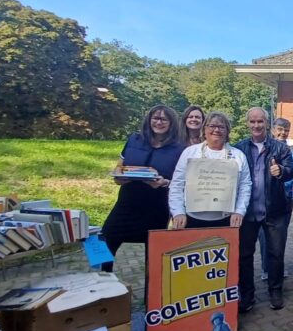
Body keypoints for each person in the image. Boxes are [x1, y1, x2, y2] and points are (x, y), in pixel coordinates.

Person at [101, 105, 184, 273]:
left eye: (163, 119)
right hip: (127, 203)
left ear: (171, 123)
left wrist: (164, 182)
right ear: (149, 119)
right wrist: (118, 176)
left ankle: (150, 294)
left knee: (153, 254)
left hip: (157, 207)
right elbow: (120, 166)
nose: (158, 122)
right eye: (155, 118)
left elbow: (180, 181)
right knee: (104, 238)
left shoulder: (179, 149)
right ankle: (103, 280)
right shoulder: (134, 139)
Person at [233, 107, 293, 311]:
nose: (256, 125)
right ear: (247, 123)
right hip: (247, 211)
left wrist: (280, 171)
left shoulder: (280, 148)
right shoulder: (238, 148)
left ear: (267, 123)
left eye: (260, 121)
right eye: (252, 122)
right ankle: (247, 295)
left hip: (274, 210)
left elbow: (290, 172)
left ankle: (275, 290)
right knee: (244, 255)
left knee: (275, 253)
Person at [169, 112, 251, 229]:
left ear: (227, 131)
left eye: (221, 127)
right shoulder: (189, 152)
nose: (216, 130)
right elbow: (177, 184)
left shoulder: (238, 156)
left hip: (226, 220)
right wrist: (178, 211)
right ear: (204, 129)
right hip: (191, 219)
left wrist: (239, 211)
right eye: (212, 126)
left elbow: (245, 186)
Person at [259, 117, 293, 281]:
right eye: (280, 129)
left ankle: (277, 268)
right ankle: (266, 268)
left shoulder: (292, 150)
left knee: (280, 236)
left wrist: (281, 178)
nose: (283, 133)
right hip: (265, 199)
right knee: (264, 238)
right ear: (272, 129)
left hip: (286, 198)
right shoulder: (265, 148)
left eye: (286, 130)